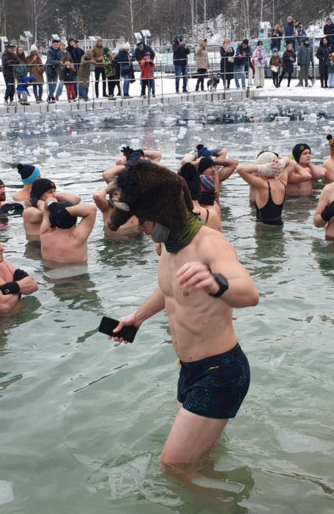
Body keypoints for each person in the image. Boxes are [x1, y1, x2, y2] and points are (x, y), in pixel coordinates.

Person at [106, 161, 259, 470]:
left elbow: (249, 293)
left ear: (163, 213)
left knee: (173, 468)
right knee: (198, 461)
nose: (140, 228)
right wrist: (138, 316)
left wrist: (217, 283)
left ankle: (221, 513)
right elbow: (170, 291)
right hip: (189, 372)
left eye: (144, 220)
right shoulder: (165, 247)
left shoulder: (210, 243)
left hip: (221, 373)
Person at [237, 152, 294, 226]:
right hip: (279, 227)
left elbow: (240, 169)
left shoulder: (262, 185)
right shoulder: (282, 182)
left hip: (263, 229)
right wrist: (281, 163)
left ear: (265, 168)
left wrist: (261, 168)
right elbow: (288, 160)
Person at [40, 199, 97, 265]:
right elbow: (92, 208)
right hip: (76, 275)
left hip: (48, 273)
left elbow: (48, 201)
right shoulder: (76, 238)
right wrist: (62, 212)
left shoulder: (45, 233)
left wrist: (55, 208)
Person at [45, 37, 64, 102]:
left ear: (58, 45)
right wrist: (58, 62)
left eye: (57, 44)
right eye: (54, 44)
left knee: (55, 84)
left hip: (56, 70)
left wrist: (57, 62)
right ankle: (51, 97)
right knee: (50, 84)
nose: (55, 46)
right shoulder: (49, 51)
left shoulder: (61, 52)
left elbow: (61, 60)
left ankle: (50, 96)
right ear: (52, 45)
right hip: (49, 69)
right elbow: (49, 60)